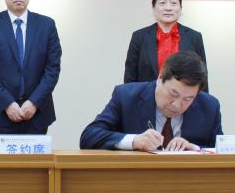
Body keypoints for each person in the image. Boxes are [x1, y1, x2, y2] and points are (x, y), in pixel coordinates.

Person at [0, 0, 62, 149]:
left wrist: (34, 102)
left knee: (34, 166)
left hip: (37, 113)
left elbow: (52, 68)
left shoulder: (47, 25)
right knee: (2, 166)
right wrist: (8, 103)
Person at [81, 51, 222, 151]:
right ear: (160, 78)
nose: (177, 105)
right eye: (173, 93)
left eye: (188, 99)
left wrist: (195, 149)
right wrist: (134, 141)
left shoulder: (209, 107)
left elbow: (222, 150)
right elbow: (89, 136)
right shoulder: (126, 97)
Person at [124, 0, 208, 91]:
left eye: (173, 3)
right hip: (147, 99)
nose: (168, 8)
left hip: (184, 99)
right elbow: (130, 79)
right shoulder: (139, 37)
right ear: (154, 7)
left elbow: (202, 78)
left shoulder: (194, 37)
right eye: (162, 3)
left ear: (180, 8)